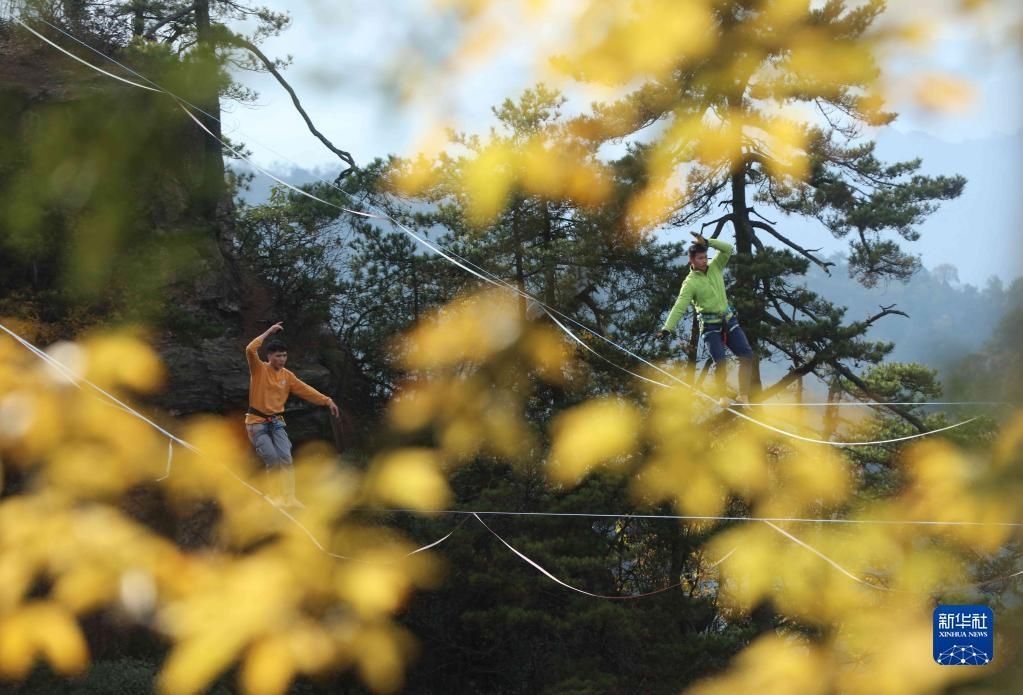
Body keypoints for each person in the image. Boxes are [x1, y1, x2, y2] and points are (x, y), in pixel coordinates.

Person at [245, 322, 339, 507]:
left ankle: (289, 498)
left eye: (284, 355)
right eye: (278, 356)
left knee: (286, 458)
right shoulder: (259, 369)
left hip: (276, 421)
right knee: (272, 458)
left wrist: (327, 400)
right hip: (256, 422)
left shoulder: (287, 376)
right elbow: (250, 349)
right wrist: (269, 332)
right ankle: (274, 495)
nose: (282, 359)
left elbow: (306, 390)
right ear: (269, 356)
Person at [658, 232, 753, 405]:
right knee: (720, 361)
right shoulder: (690, 283)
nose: (704, 260)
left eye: (705, 257)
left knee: (746, 355)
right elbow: (679, 306)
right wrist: (667, 328)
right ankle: (723, 396)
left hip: (729, 320)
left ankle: (743, 396)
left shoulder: (715, 266)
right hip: (710, 327)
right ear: (691, 260)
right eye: (700, 258)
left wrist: (708, 242)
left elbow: (728, 249)